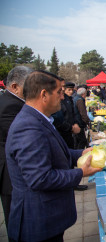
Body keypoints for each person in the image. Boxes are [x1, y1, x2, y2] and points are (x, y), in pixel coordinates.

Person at [6, 70, 102, 241]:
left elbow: (55, 153)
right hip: (37, 223)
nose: (63, 97)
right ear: (44, 95)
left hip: (48, 220)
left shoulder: (39, 119)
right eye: (59, 92)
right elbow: (39, 178)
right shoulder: (28, 127)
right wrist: (81, 173)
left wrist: (81, 153)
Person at [0, 66, 34, 230]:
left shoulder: (10, 102)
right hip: (11, 175)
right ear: (14, 86)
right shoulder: (10, 106)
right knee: (19, 222)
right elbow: (23, 141)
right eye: (29, 86)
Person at [52, 82, 80, 149]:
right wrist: (71, 127)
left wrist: (75, 123)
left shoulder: (69, 99)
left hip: (70, 131)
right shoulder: (61, 102)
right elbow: (59, 120)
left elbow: (73, 113)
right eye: (69, 90)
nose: (71, 92)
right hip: (64, 133)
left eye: (72, 90)